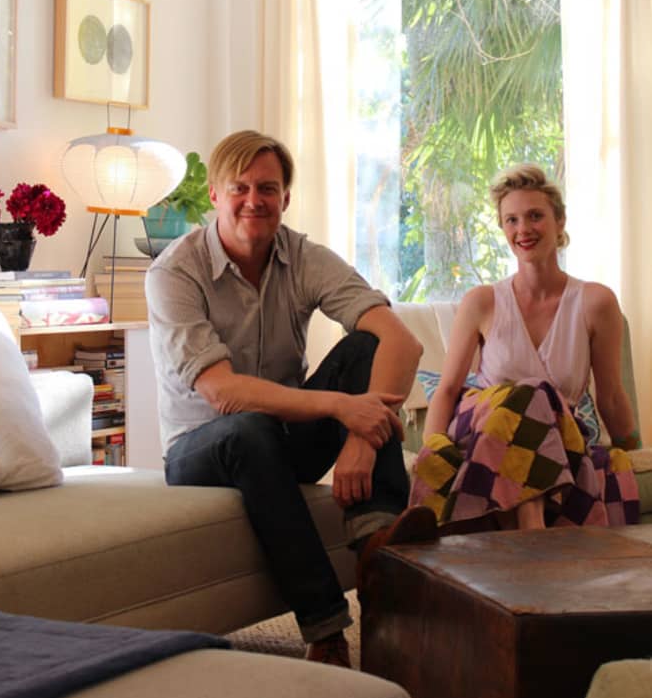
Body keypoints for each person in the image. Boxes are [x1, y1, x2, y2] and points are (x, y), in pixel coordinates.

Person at [145, 129, 422, 667]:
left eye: (268, 188)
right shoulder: (174, 272)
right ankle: (325, 629)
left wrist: (363, 438)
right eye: (240, 187)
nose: (255, 200)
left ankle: (376, 543)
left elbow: (401, 341)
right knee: (250, 428)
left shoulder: (302, 255)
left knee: (365, 344)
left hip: (283, 438)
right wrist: (343, 409)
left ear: (286, 198)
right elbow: (222, 393)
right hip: (203, 449)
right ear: (215, 197)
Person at [406, 163, 640, 533]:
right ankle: (531, 528)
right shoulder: (482, 302)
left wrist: (633, 454)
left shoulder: (595, 302)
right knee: (531, 391)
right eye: (511, 220)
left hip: (560, 441)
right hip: (482, 428)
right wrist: (432, 451)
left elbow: (610, 395)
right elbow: (449, 389)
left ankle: (511, 526)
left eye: (535, 216)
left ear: (560, 221)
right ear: (503, 229)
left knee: (540, 395)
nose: (523, 230)